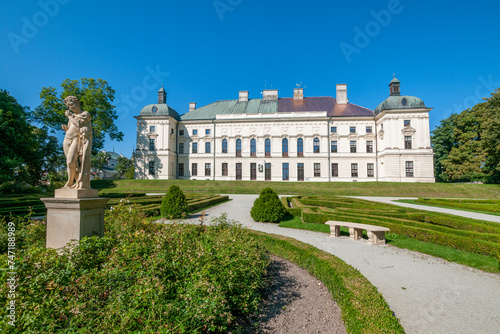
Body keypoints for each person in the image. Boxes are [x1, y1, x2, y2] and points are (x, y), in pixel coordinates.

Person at [61, 96, 92, 189]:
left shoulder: (85, 114)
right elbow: (72, 127)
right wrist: (66, 129)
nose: (70, 107)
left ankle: (70, 182)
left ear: (78, 103)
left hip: (76, 140)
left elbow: (79, 124)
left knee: (71, 161)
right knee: (70, 163)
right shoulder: (73, 116)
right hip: (67, 140)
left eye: (72, 104)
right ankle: (74, 182)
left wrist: (69, 116)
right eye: (68, 106)